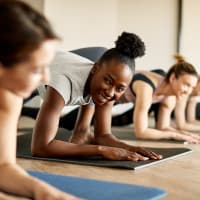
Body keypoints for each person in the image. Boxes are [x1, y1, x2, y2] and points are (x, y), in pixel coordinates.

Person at [32, 32, 162, 161]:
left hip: (79, 64)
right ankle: (82, 131)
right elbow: (41, 148)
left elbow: (103, 135)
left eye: (120, 88)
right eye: (108, 81)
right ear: (95, 69)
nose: (111, 93)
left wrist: (130, 148)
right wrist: (101, 150)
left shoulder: (109, 89)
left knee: (99, 88)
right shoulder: (63, 83)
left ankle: (82, 132)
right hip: (32, 63)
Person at [0, 1, 79, 199]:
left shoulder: (10, 95)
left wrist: (46, 193)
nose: (45, 78)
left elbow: (3, 166)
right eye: (36, 69)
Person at [113, 55, 200, 143]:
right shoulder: (146, 87)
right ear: (172, 78)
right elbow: (141, 133)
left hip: (121, 99)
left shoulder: (170, 97)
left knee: (114, 122)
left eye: (192, 87)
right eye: (187, 85)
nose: (188, 92)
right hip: (106, 96)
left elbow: (162, 127)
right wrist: (174, 135)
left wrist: (185, 134)